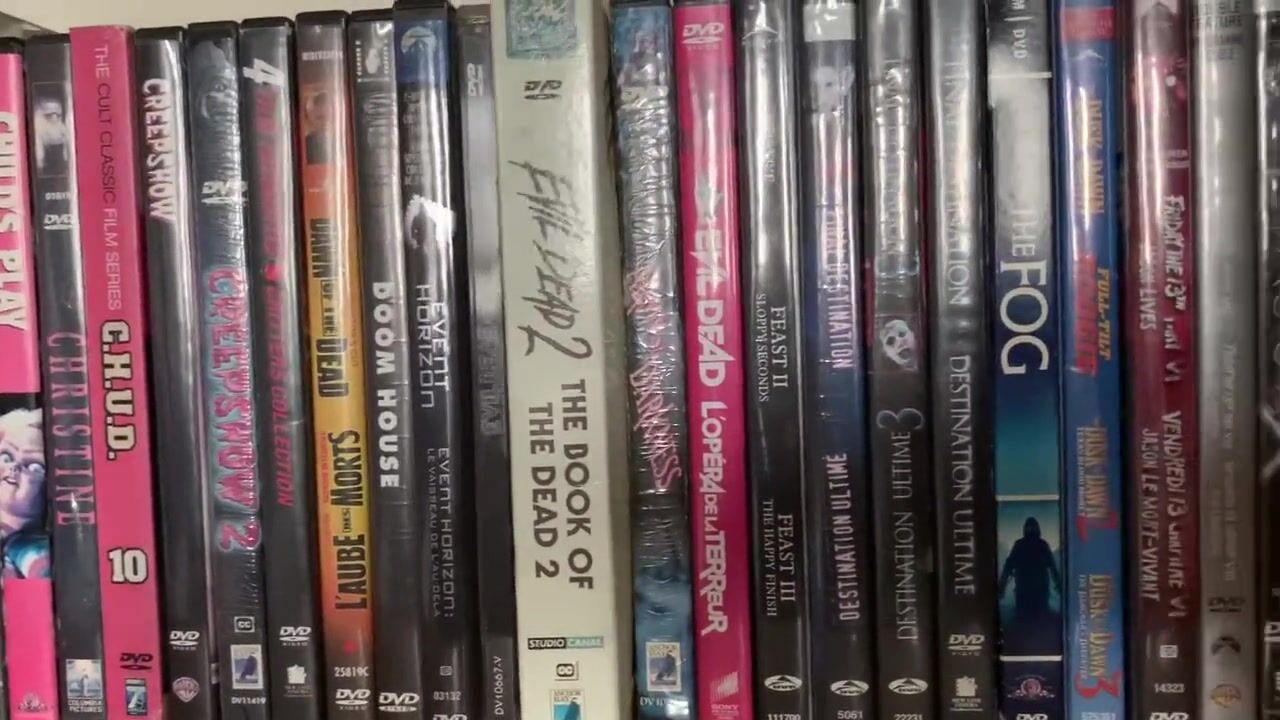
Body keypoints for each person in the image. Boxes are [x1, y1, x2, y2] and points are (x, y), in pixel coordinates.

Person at [998, 516, 1061, 624]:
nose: (1030, 530)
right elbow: (1052, 566)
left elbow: (1008, 566)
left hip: (1030, 590)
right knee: (1033, 620)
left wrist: (1002, 586)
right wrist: (1058, 584)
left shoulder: (1022, 545)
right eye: (1029, 527)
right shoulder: (1041, 545)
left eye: (1031, 527)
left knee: (1027, 620)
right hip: (1033, 590)